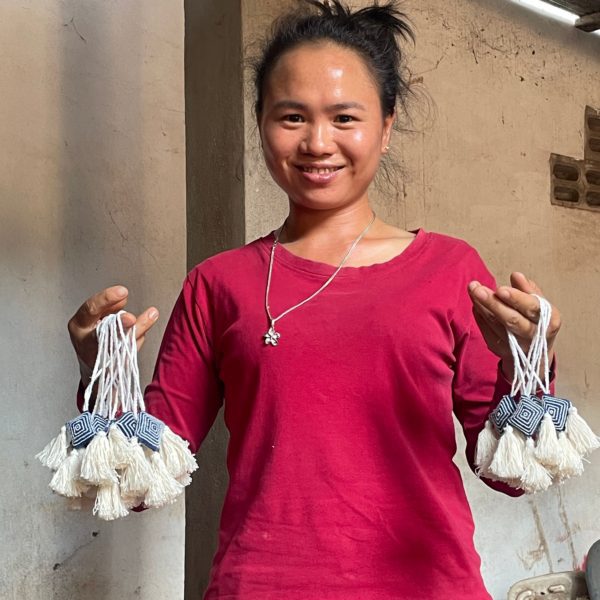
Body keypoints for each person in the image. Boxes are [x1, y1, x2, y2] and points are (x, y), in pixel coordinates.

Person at [68, 1, 562, 598]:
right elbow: (137, 486)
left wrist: (526, 365)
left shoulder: (451, 271)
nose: (317, 142)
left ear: (386, 125)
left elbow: (511, 477)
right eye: (293, 117)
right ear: (261, 122)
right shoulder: (217, 284)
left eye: (345, 118)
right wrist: (103, 375)